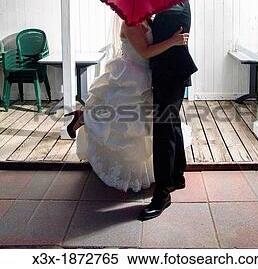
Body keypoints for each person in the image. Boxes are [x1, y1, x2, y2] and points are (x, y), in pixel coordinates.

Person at [65, 14, 191, 194]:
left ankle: (84, 116)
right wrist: (173, 41)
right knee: (121, 120)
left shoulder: (148, 19)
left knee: (135, 124)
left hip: (145, 76)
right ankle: (85, 117)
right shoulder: (130, 23)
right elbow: (145, 52)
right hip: (131, 75)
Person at [139, 1, 198, 221]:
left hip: (171, 73)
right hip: (169, 73)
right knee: (172, 123)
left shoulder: (176, 3)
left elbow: (166, 33)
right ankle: (176, 176)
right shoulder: (170, 3)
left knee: (162, 131)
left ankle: (162, 195)